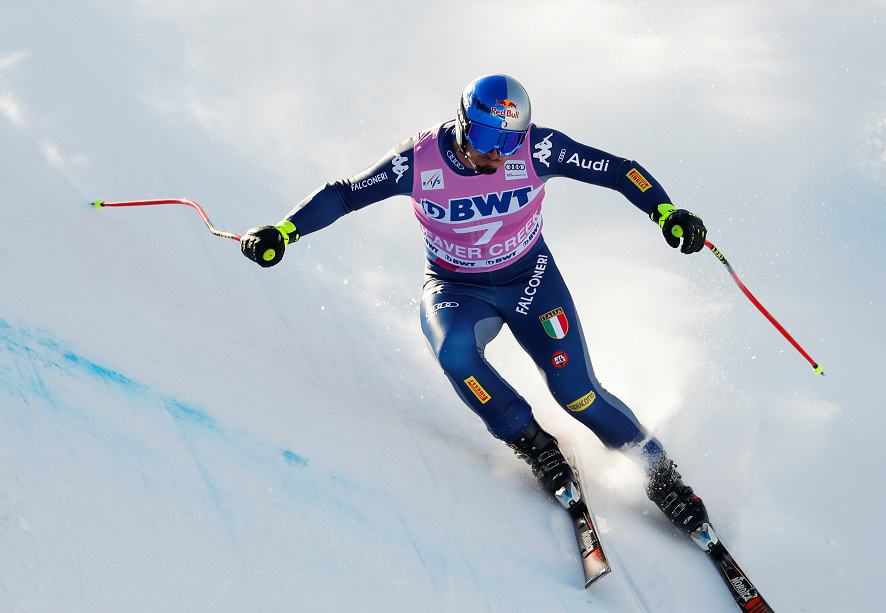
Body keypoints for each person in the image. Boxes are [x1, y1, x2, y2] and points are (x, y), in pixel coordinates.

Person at [240, 74, 710, 535]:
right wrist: (285, 231)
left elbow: (615, 169)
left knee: (577, 393)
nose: (496, 153)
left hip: (530, 282)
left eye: (509, 141)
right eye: (486, 136)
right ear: (462, 123)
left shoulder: (536, 150)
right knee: (456, 352)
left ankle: (661, 475)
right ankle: (531, 440)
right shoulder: (420, 160)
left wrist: (665, 211)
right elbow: (344, 194)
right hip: (455, 287)